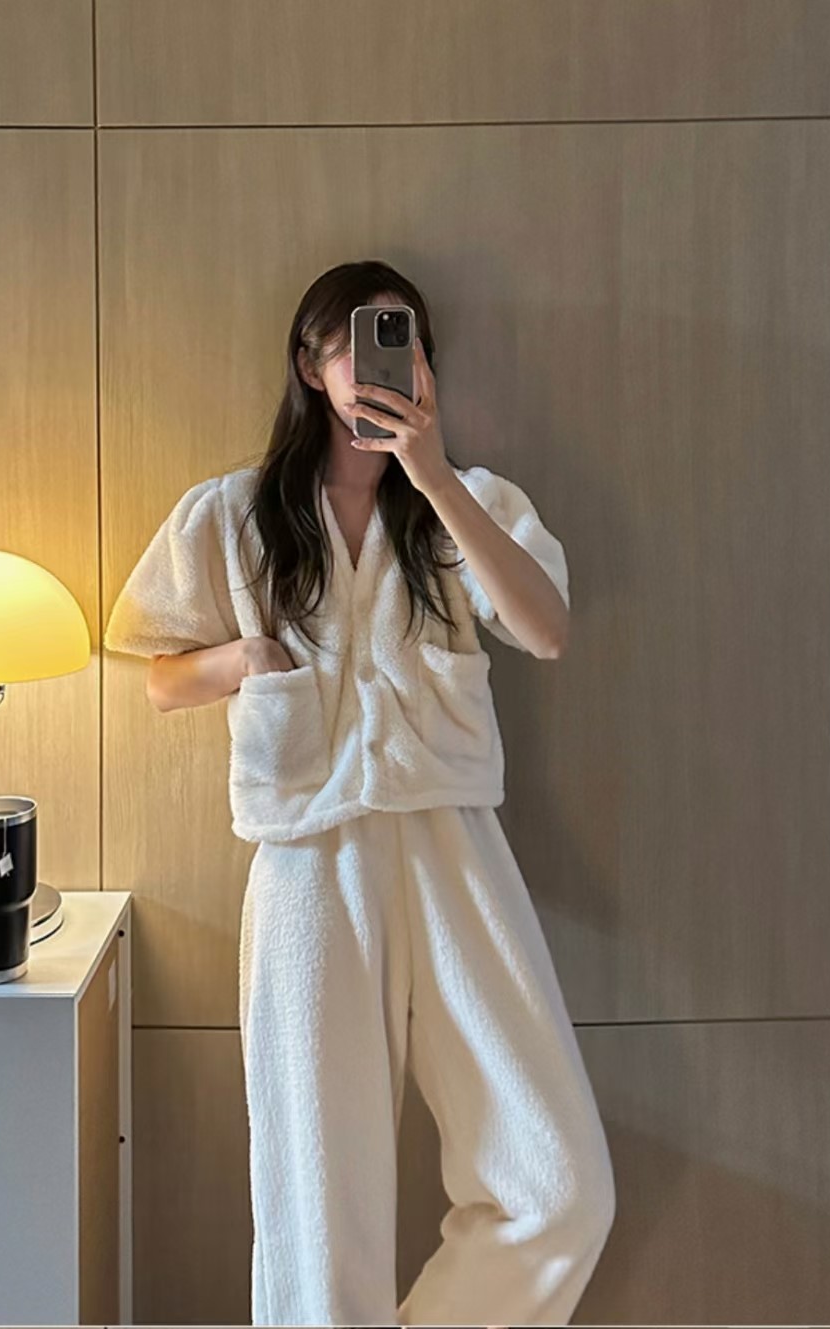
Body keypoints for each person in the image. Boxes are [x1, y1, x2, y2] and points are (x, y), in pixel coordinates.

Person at [103, 259, 616, 1327]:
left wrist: (432, 475)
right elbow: (150, 670)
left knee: (560, 1188)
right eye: (362, 341)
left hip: (451, 850)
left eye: (406, 338)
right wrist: (243, 660)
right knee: (318, 1212)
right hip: (308, 862)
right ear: (312, 364)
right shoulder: (237, 514)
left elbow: (547, 629)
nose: (388, 361)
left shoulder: (467, 505)